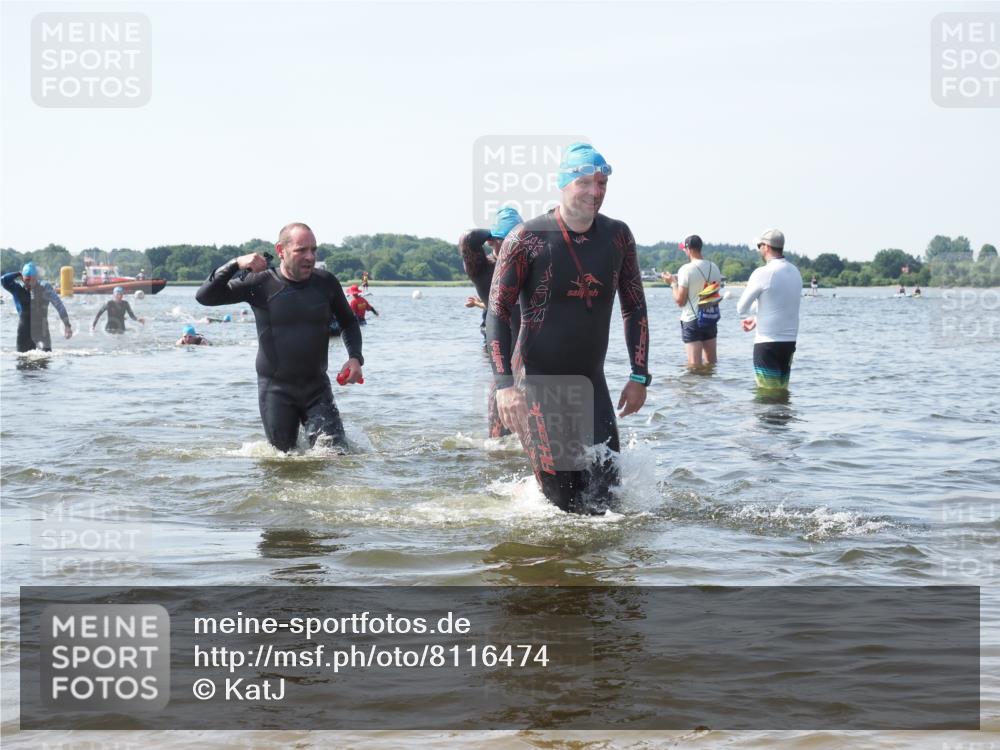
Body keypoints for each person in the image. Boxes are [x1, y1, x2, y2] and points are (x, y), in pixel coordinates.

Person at [486, 143, 650, 514]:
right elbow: (497, 312)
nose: (596, 192)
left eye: (603, 184)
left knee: (608, 500)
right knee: (563, 505)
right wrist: (504, 387)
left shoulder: (618, 237)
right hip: (538, 383)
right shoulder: (526, 239)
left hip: (593, 384)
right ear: (564, 183)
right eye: (587, 183)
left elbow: (635, 306)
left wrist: (639, 375)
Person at [195, 222, 363, 452]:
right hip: (276, 391)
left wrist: (355, 357)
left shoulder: (326, 282)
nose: (310, 257)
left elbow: (349, 321)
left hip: (317, 388)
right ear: (280, 251)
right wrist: (235, 264)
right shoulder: (259, 283)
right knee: (283, 460)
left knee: (337, 455)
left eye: (313, 250)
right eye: (301, 250)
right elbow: (205, 296)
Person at [459, 206, 524, 438]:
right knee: (498, 440)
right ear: (491, 242)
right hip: (503, 356)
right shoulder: (483, 270)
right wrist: (496, 232)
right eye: (501, 242)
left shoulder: (533, 266)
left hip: (532, 356)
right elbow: (468, 238)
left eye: (514, 242)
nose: (507, 248)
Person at [736, 229, 802, 390]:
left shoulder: (762, 272)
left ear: (766, 246)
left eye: (759, 245)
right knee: (781, 391)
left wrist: (753, 315)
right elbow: (782, 305)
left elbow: (741, 308)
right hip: (789, 343)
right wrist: (757, 319)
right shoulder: (795, 271)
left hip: (767, 344)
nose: (759, 249)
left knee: (767, 395)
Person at [659, 234, 722, 367]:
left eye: (684, 249)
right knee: (711, 365)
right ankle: (711, 388)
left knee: (694, 367)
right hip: (710, 318)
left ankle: (693, 389)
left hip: (692, 320)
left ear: (689, 249)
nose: (684, 251)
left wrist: (672, 283)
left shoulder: (685, 270)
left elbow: (680, 301)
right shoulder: (714, 267)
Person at [1, 263, 73, 352]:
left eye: (32, 280)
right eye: (27, 280)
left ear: (36, 278)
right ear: (22, 278)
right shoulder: (17, 289)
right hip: (24, 334)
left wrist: (67, 325)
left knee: (45, 360)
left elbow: (59, 306)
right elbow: (4, 280)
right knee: (23, 362)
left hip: (42, 332)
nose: (29, 283)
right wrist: (18, 273)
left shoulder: (45, 288)